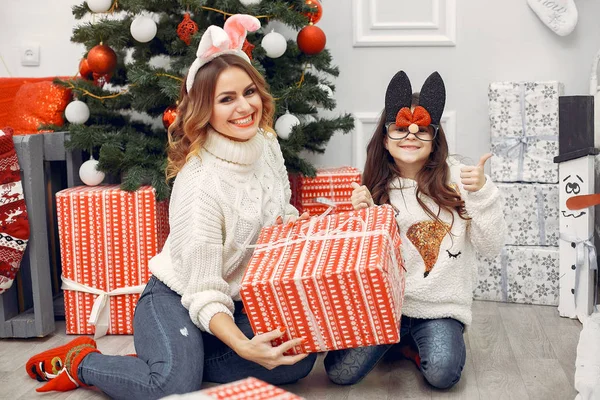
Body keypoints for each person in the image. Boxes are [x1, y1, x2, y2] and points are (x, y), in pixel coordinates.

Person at [25, 15, 316, 399]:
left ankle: (179, 357)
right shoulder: (200, 183)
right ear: (204, 110)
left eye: (249, 92)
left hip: (235, 299)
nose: (245, 107)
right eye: (226, 99)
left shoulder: (267, 144)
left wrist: (306, 232)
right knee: (172, 384)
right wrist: (244, 347)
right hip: (177, 297)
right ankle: (83, 362)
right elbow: (202, 290)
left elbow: (282, 213)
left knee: (296, 358)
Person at [324, 71, 506, 389]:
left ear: (434, 138)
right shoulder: (374, 189)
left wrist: (482, 194)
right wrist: (365, 220)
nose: (410, 136)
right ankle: (394, 339)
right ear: (384, 137)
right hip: (385, 306)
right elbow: (359, 266)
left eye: (422, 130)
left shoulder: (459, 181)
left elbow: (491, 246)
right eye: (400, 129)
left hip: (439, 306)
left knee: (442, 374)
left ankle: (407, 345)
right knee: (339, 373)